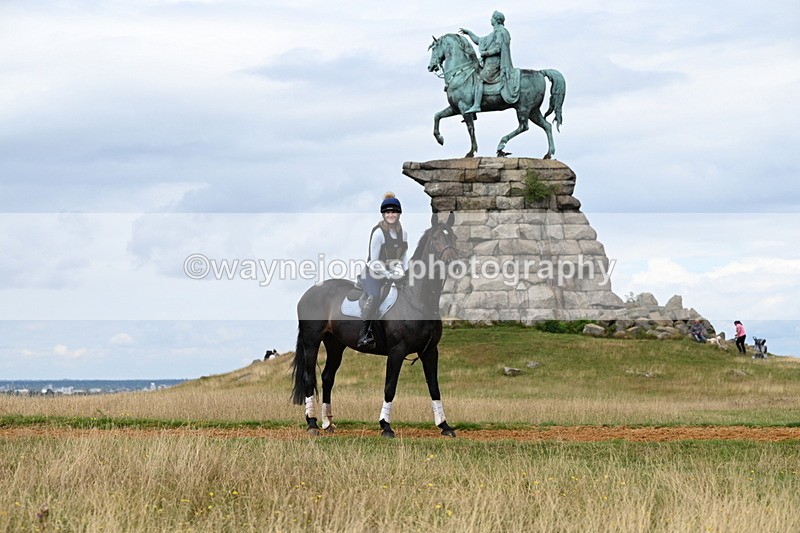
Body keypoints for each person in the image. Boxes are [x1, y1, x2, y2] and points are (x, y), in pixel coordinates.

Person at [356, 192, 408, 350]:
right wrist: (389, 275)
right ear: (383, 214)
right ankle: (364, 335)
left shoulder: (402, 233)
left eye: (393, 212)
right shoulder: (378, 233)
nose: (390, 215)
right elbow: (373, 260)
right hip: (373, 273)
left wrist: (406, 273)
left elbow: (404, 256)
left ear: (398, 214)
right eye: (387, 212)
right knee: (375, 296)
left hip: (392, 274)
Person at [459, 10, 520, 113]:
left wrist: (485, 53)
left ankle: (477, 105)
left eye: (492, 18)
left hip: (495, 63)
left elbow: (498, 48)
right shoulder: (493, 34)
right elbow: (479, 40)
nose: (490, 19)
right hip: (490, 63)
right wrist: (469, 33)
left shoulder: (501, 32)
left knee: (479, 78)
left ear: (496, 20)